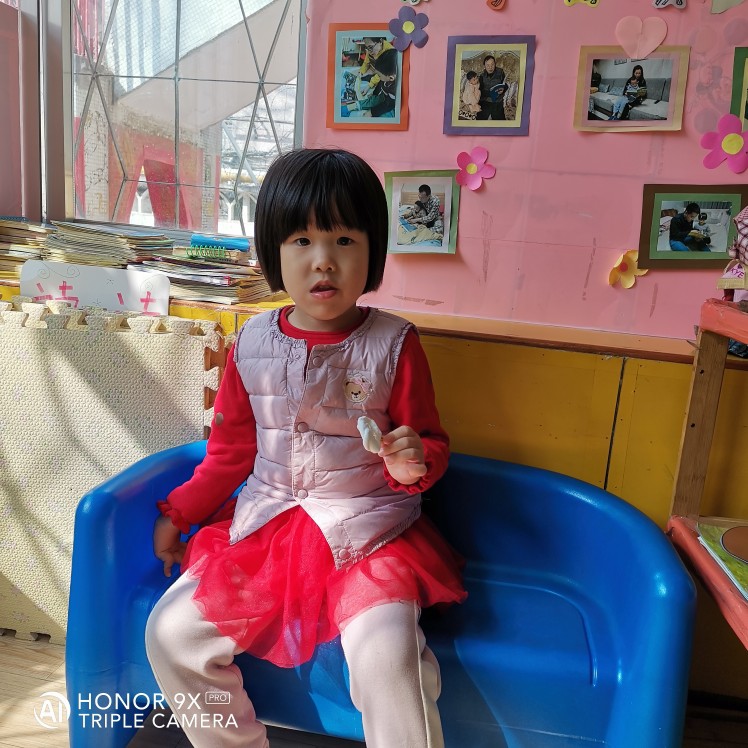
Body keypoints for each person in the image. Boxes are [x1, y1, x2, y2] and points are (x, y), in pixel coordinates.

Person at [145, 148, 466, 748]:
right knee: (171, 634)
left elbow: (429, 441)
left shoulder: (395, 343)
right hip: (265, 530)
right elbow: (229, 452)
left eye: (344, 240)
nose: (324, 260)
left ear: (373, 251)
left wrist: (413, 461)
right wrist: (180, 512)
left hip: (369, 535)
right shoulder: (250, 341)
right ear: (274, 253)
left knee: (389, 662)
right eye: (301, 240)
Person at [342, 48, 398, 118]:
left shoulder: (394, 89)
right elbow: (380, 85)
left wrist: (371, 112)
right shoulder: (385, 78)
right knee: (372, 101)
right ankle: (352, 106)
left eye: (379, 76)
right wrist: (374, 94)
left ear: (391, 78)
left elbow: (387, 105)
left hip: (391, 104)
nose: (378, 77)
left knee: (385, 115)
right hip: (383, 96)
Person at [476, 55, 507, 121]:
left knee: (500, 122)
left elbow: (505, 84)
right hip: (485, 101)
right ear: (484, 66)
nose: (490, 67)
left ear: (495, 64)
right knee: (480, 121)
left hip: (497, 102)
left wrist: (503, 89)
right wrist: (491, 93)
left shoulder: (501, 72)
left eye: (492, 64)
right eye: (488, 65)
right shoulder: (481, 75)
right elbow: (480, 90)